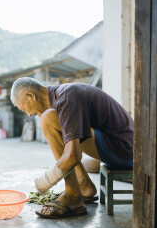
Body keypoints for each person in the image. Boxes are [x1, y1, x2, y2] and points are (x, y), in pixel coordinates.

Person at [10, 77, 133, 219]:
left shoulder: (66, 97)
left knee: (47, 118)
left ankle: (73, 196)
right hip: (120, 149)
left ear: (30, 96)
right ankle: (84, 186)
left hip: (124, 150)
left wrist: (43, 183)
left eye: (25, 108)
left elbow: (73, 155)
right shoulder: (62, 95)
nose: (29, 114)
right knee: (79, 158)